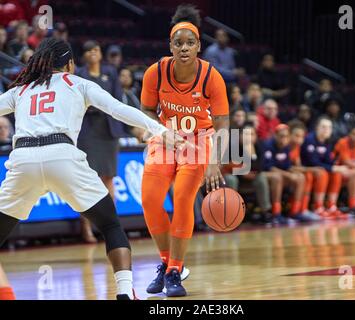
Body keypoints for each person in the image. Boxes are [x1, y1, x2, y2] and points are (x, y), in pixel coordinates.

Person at [0, 38, 185, 300]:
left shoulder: (21, 90)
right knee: (110, 224)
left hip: (23, 159)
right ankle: (124, 292)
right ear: (70, 64)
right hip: (62, 155)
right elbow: (118, 109)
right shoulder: (78, 84)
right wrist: (160, 130)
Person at [140, 4, 229, 297]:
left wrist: (215, 161)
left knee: (182, 199)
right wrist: (160, 132)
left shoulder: (211, 76)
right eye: (178, 43)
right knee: (151, 200)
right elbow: (147, 111)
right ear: (170, 46)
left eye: (190, 43)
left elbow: (222, 122)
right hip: (166, 138)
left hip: (199, 141)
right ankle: (166, 264)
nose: (184, 48)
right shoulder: (156, 72)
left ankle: (175, 270)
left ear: (199, 46)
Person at [76, 40, 126, 243]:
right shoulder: (78, 74)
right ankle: (86, 228)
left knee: (109, 179)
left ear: (100, 53)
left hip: (108, 132)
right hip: (87, 132)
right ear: (84, 56)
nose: (93, 53)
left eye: (96, 49)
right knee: (88, 181)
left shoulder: (111, 72)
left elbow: (117, 99)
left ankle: (111, 227)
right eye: (88, 51)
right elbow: (78, 102)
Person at [301, 117, 355, 219]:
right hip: (307, 169)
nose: (326, 130)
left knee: (337, 174)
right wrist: (333, 168)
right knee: (323, 173)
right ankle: (318, 207)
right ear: (317, 128)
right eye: (323, 127)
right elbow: (312, 162)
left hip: (320, 168)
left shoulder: (327, 141)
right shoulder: (310, 140)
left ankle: (331, 207)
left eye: (329, 127)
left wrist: (336, 166)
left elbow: (329, 160)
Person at [262, 124, 313, 224]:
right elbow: (269, 167)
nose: (283, 139)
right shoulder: (267, 145)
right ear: (275, 135)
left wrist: (296, 172)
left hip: (281, 174)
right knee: (278, 178)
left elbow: (287, 166)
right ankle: (276, 213)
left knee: (301, 177)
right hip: (265, 174)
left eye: (286, 136)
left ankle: (295, 212)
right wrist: (289, 175)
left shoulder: (286, 147)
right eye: (281, 136)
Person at [288, 120, 321, 221]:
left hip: (292, 172)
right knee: (304, 176)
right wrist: (309, 169)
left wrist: (305, 170)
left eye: (302, 136)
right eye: (297, 136)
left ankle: (303, 209)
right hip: (283, 172)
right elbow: (288, 167)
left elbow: (298, 165)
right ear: (289, 135)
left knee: (308, 176)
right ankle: (294, 211)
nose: (299, 139)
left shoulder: (297, 147)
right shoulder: (286, 146)